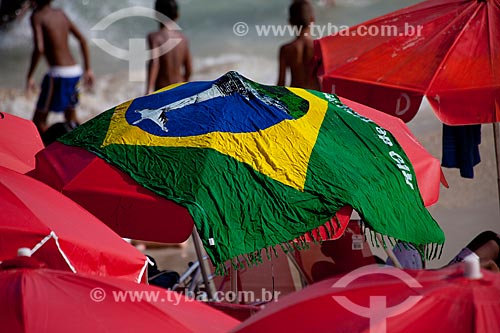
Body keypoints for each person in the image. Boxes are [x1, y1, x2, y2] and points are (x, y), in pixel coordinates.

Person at [26, 0, 94, 135]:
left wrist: (30, 76)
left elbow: (39, 48)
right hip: (75, 72)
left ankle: (44, 151)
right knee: (71, 119)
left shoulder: (37, 17)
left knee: (38, 122)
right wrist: (88, 69)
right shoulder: (60, 14)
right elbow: (82, 39)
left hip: (58, 74)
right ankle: (81, 148)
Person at [146, 0, 192, 95]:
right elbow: (189, 70)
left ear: (156, 14)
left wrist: (148, 90)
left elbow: (154, 63)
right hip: (179, 89)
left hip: (162, 91)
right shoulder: (183, 39)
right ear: (177, 15)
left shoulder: (155, 38)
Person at [277, 0, 320, 90]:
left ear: (290, 22)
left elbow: (280, 84)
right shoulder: (320, 47)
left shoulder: (286, 49)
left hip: (296, 99)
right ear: (312, 19)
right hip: (317, 97)